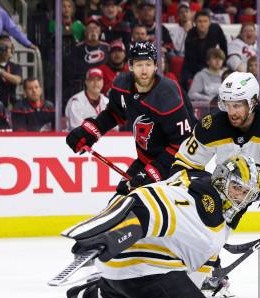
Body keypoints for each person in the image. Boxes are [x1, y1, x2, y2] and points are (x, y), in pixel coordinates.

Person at [48, 155, 260, 298]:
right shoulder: (203, 205)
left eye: (246, 193)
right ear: (222, 178)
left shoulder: (198, 181)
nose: (240, 198)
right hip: (145, 271)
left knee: (123, 293)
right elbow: (146, 203)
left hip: (121, 271)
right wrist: (110, 233)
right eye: (236, 188)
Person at [66, 41, 196, 195]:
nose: (144, 70)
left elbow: (182, 144)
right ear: (130, 66)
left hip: (178, 166)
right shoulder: (122, 85)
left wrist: (156, 171)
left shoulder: (168, 95)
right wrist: (91, 131)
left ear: (156, 66)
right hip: (146, 160)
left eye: (148, 64)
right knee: (121, 198)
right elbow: (113, 114)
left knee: (146, 207)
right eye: (139, 64)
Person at [172, 71, 260, 226]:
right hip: (232, 190)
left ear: (252, 102)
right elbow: (184, 164)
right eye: (228, 105)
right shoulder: (211, 126)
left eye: (237, 105)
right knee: (211, 225)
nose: (231, 112)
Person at [64, 18, 110, 101]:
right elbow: (71, 70)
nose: (93, 31)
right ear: (85, 32)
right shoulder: (77, 48)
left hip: (104, 84)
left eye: (95, 28)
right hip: (84, 85)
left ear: (100, 32)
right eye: (90, 29)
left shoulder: (107, 47)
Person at [182, 11, 228, 89]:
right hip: (194, 64)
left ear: (209, 22)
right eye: (200, 21)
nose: (202, 24)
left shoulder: (216, 29)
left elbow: (224, 48)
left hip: (211, 61)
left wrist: (222, 64)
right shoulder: (191, 34)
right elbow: (189, 58)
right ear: (195, 23)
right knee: (185, 78)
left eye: (205, 21)